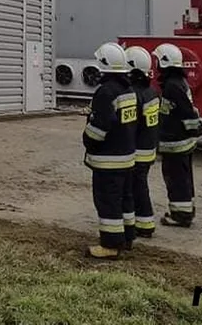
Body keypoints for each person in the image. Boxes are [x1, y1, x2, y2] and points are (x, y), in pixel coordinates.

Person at [82, 42, 137, 259]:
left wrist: (87, 139)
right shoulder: (129, 89)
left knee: (108, 201)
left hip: (108, 160)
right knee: (126, 199)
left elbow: (100, 127)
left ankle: (110, 245)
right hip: (127, 158)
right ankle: (127, 237)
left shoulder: (105, 92)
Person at [152, 43, 201, 227]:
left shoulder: (173, 86)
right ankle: (185, 210)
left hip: (176, 142)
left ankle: (181, 216)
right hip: (180, 141)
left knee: (176, 179)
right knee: (182, 178)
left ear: (164, 63)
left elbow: (186, 113)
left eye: (157, 60)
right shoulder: (176, 83)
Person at [124, 45, 160, 240]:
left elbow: (131, 125)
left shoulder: (135, 94)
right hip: (149, 148)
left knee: (134, 188)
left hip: (137, 150)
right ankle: (145, 222)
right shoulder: (152, 92)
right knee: (140, 185)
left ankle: (144, 224)